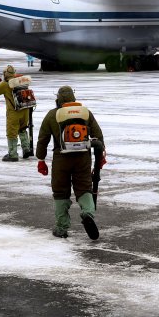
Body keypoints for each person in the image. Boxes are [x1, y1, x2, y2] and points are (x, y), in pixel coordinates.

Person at [36, 86, 104, 240]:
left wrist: (41, 159)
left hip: (61, 158)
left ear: (58, 98)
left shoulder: (52, 115)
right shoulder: (85, 113)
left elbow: (43, 139)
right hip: (83, 157)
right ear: (73, 97)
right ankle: (87, 213)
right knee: (84, 187)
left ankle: (61, 228)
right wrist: (101, 153)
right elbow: (98, 135)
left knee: (60, 192)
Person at [0, 64, 33, 162]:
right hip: (25, 110)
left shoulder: (5, 84)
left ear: (5, 73)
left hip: (14, 112)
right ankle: (26, 149)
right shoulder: (21, 81)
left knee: (11, 133)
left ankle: (13, 154)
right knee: (22, 129)